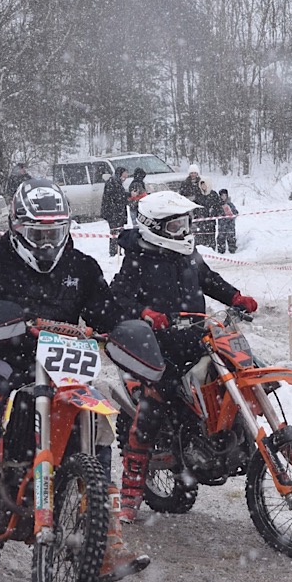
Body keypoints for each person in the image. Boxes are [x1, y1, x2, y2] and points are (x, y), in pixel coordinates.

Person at [0, 177, 150, 582]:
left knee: (98, 417)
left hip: (64, 367)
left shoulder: (82, 267)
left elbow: (106, 311)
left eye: (54, 232)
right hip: (5, 359)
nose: (48, 243)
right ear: (17, 227)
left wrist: (125, 328)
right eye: (38, 233)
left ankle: (104, 534)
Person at [110, 191, 258, 522]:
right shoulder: (138, 258)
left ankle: (230, 443)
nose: (183, 231)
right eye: (175, 225)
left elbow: (208, 279)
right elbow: (116, 299)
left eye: (185, 223)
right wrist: (146, 313)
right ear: (153, 227)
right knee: (155, 401)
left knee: (233, 376)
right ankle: (132, 487)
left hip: (195, 336)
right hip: (158, 345)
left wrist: (235, 296)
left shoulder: (187, 253)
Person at [100, 166, 129, 257]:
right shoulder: (113, 183)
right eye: (124, 175)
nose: (125, 177)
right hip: (113, 213)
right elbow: (116, 197)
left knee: (118, 231)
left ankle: (117, 250)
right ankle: (114, 251)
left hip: (116, 212)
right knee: (115, 232)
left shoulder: (117, 182)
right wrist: (127, 196)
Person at [193, 178, 220, 249]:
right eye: (202, 185)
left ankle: (211, 251)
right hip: (200, 221)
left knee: (210, 237)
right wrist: (197, 214)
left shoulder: (213, 194)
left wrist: (213, 211)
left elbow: (218, 206)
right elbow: (195, 206)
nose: (203, 186)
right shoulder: (198, 194)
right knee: (200, 238)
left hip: (210, 221)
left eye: (204, 184)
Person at [216, 188, 238, 254]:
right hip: (222, 225)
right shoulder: (218, 205)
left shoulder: (230, 204)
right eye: (222, 196)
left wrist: (232, 214)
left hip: (230, 224)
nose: (223, 197)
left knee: (231, 237)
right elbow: (216, 213)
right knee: (221, 238)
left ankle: (232, 250)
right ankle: (221, 251)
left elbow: (235, 212)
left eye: (225, 195)